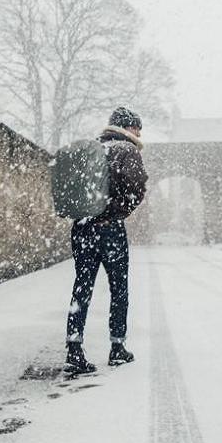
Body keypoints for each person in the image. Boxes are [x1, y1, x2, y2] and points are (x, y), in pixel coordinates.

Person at [65, 107, 148, 374]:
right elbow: (136, 189)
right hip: (109, 229)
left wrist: (89, 215)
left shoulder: (93, 148)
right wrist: (115, 212)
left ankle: (74, 347)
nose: (139, 133)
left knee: (82, 287)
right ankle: (117, 347)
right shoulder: (127, 150)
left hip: (82, 228)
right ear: (129, 128)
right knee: (119, 288)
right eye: (138, 128)